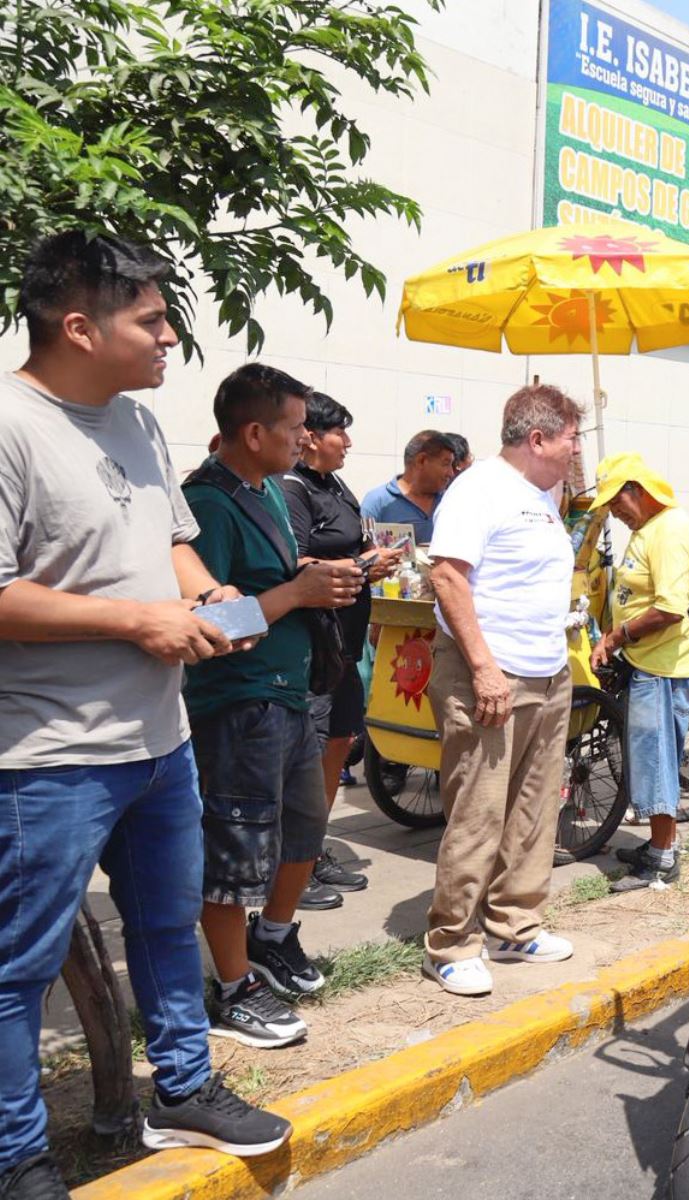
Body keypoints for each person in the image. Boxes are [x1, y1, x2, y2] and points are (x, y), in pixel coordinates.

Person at [0, 231, 291, 1196]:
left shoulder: (138, 424)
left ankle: (184, 1085)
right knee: (19, 967)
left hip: (162, 742)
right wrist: (137, 623)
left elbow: (173, 546)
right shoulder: (9, 424)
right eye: (152, 320)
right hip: (47, 756)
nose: (172, 337)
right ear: (78, 327)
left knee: (167, 926)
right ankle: (17, 1154)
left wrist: (207, 601)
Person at [182, 365, 365, 1046]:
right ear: (254, 432)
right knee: (234, 847)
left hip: (289, 693)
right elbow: (211, 624)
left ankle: (274, 935)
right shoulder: (209, 502)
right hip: (240, 701)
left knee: (304, 828)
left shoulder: (260, 491)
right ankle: (232, 986)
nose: (304, 438)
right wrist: (299, 593)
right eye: (293, 427)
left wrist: (313, 581)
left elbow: (275, 586)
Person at [422, 384, 585, 996]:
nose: (577, 450)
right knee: (479, 809)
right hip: (488, 673)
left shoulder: (541, 497)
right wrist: (485, 668)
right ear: (537, 438)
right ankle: (451, 943)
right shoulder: (479, 488)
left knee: (535, 807)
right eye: (571, 438)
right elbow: (447, 576)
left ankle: (515, 924)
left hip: (547, 672)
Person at [278, 392, 404, 902]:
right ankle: (289, 865)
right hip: (311, 649)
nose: (347, 443)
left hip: (344, 648)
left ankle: (310, 849)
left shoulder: (333, 484)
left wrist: (369, 559)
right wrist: (364, 567)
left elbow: (349, 547)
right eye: (339, 433)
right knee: (304, 760)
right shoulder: (291, 488)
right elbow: (295, 564)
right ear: (309, 436)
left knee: (336, 747)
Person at [590, 453, 689, 891]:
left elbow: (670, 609)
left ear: (637, 490)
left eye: (616, 501)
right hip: (648, 661)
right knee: (649, 754)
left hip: (665, 664)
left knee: (655, 758)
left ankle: (661, 859)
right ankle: (661, 844)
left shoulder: (670, 530)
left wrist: (617, 637)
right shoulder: (648, 529)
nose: (613, 511)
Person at [360, 429, 457, 543]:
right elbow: (367, 551)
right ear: (421, 460)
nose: (451, 473)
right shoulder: (376, 502)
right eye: (446, 464)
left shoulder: (450, 502)